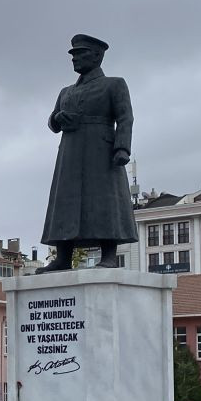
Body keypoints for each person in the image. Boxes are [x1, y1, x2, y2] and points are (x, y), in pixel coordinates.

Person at [36, 34, 136, 273]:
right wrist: (57, 119)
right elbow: (52, 122)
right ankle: (63, 257)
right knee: (65, 202)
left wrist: (122, 147)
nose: (75, 59)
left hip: (101, 149)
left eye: (81, 54)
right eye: (73, 55)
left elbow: (125, 117)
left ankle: (109, 254)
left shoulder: (114, 84)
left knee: (104, 200)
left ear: (97, 56)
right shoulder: (65, 92)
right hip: (70, 151)